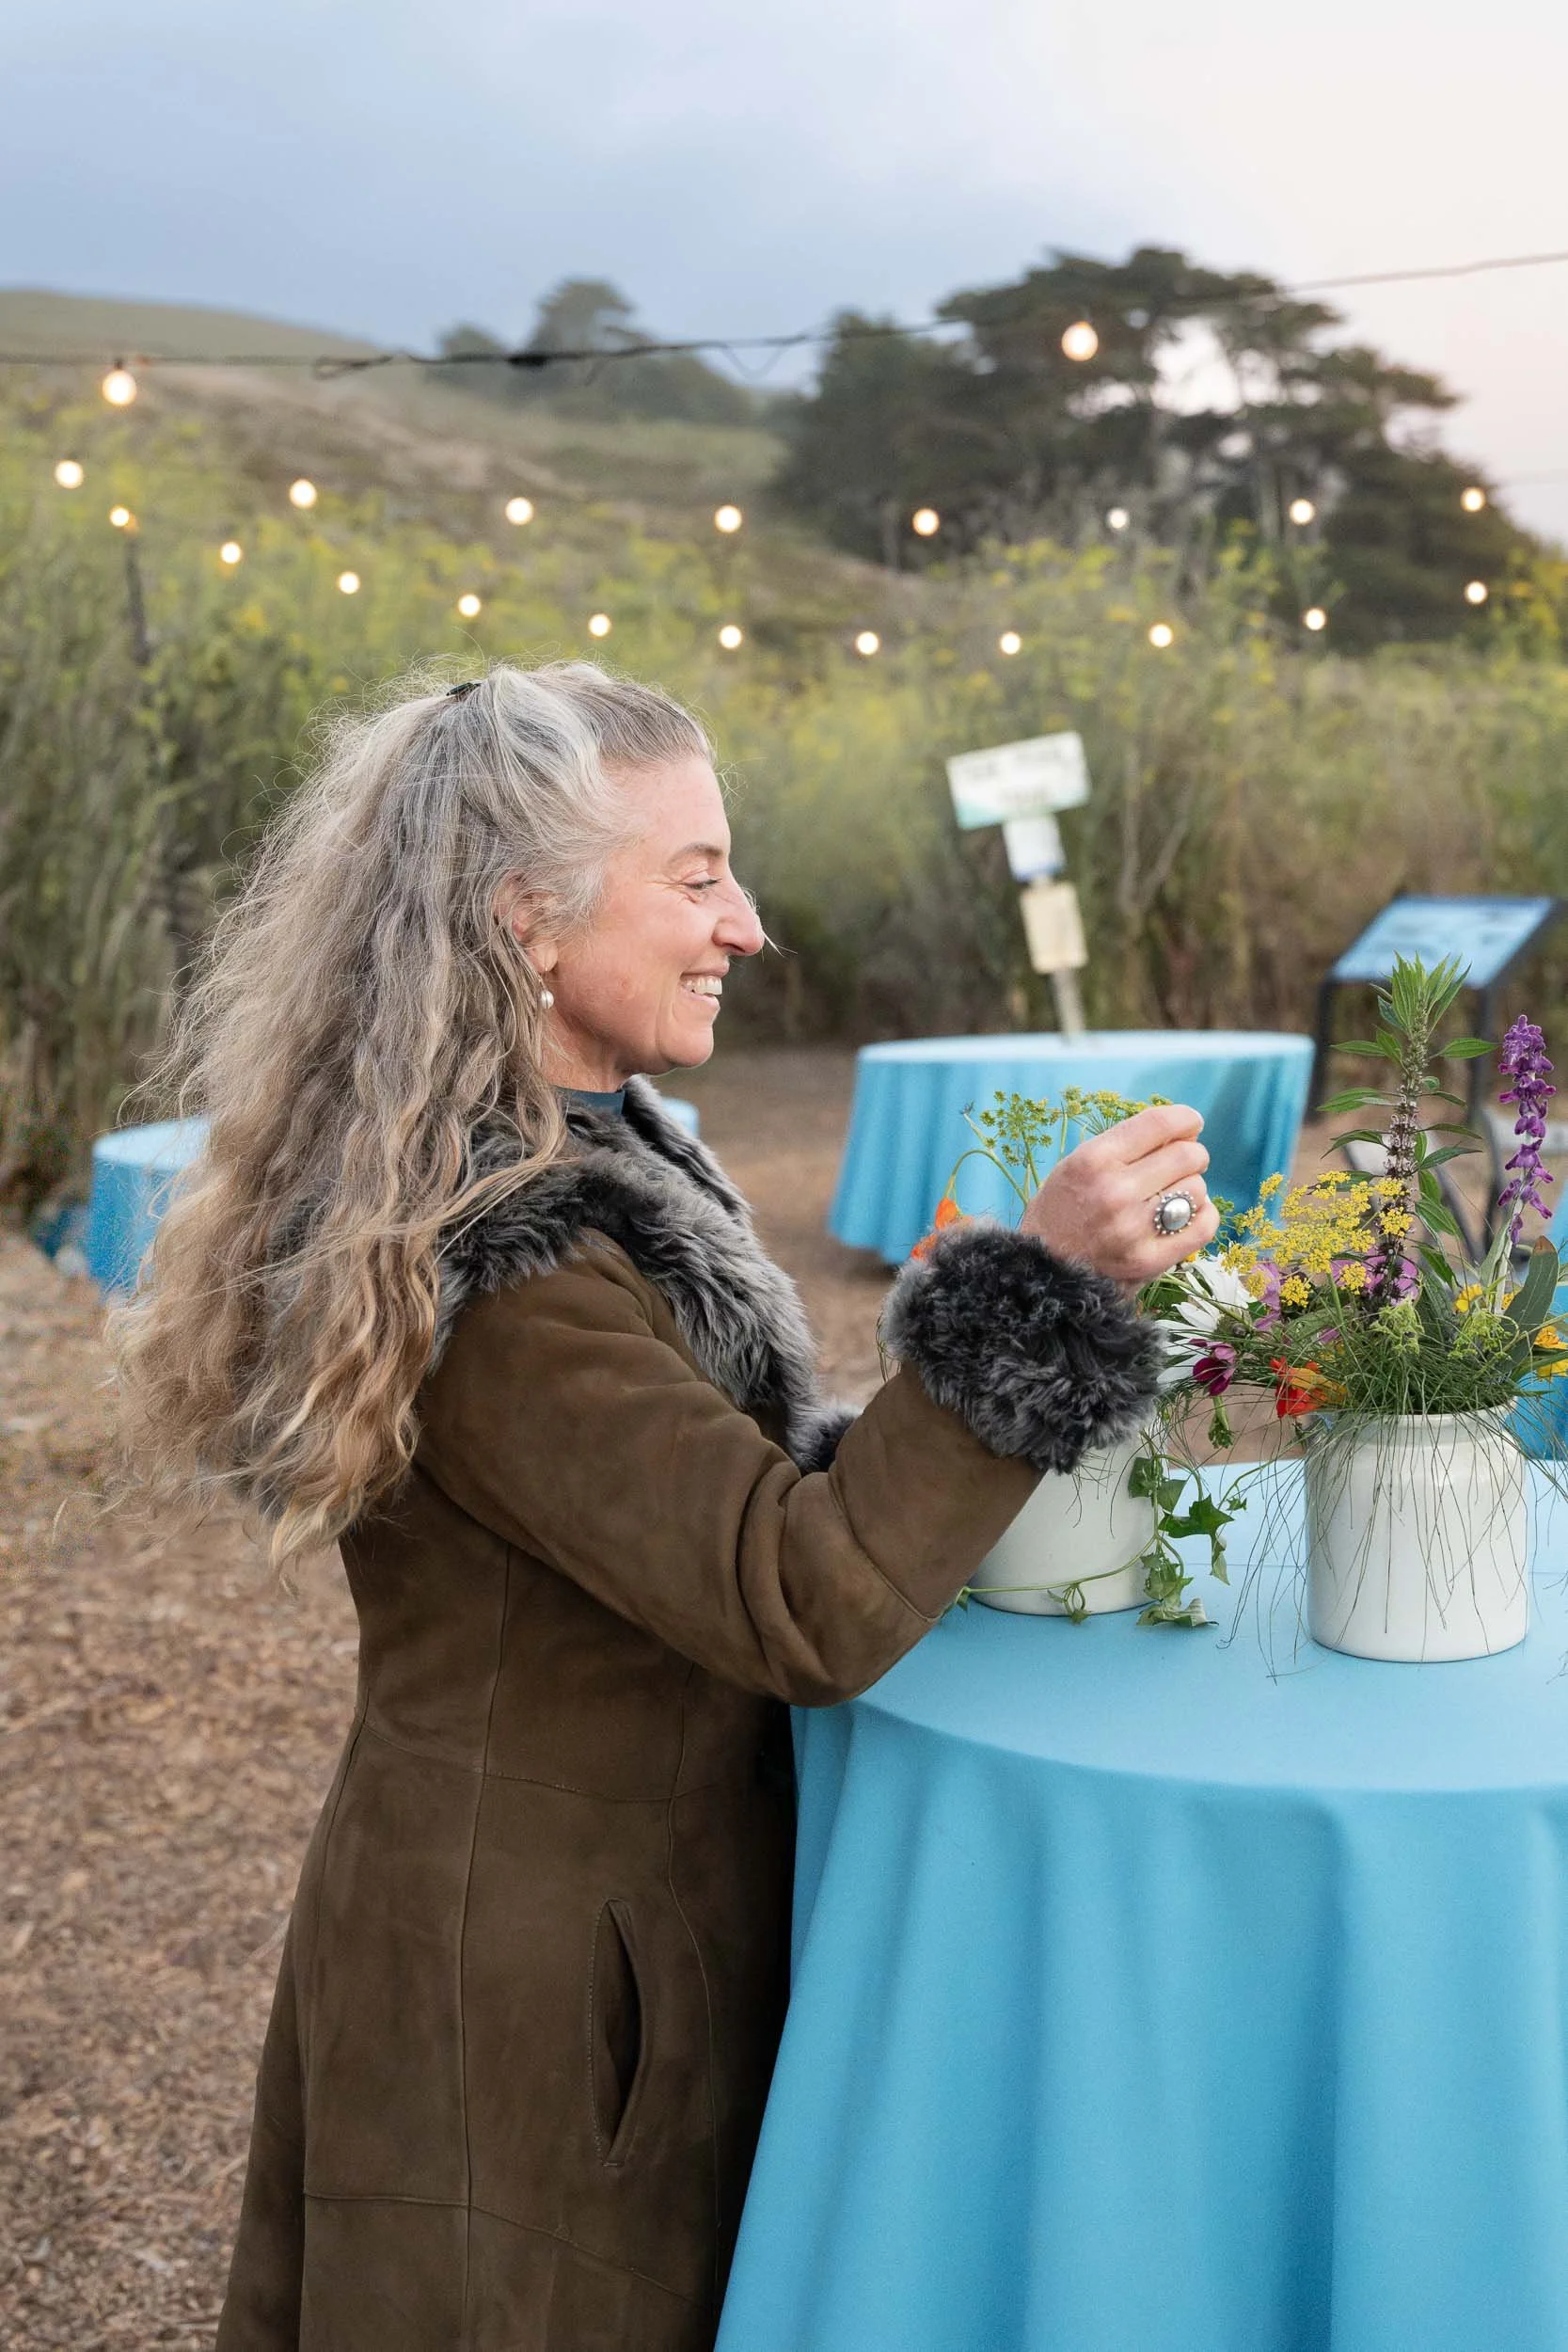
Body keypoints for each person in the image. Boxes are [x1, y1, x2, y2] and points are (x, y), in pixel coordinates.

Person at [110, 661, 1218, 2352]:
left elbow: (719, 1501)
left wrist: (936, 1390)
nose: (747, 926)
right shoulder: (504, 1266)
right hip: (538, 2000)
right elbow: (800, 1600)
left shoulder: (590, 1157)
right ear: (526, 919)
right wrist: (1033, 1293)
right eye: (694, 877)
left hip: (588, 1936)